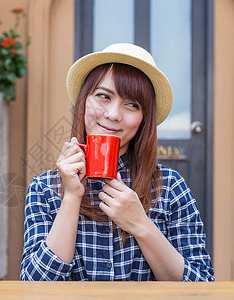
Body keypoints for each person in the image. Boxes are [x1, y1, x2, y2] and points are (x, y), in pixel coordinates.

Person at [20, 43, 215, 281]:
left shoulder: (170, 187)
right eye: (103, 96)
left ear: (144, 119)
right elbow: (34, 286)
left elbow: (202, 285)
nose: (113, 114)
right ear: (84, 101)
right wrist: (71, 197)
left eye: (132, 104)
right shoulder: (44, 188)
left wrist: (140, 223)